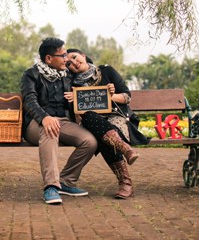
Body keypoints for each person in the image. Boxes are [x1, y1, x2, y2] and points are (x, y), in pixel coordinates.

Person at [21, 37, 97, 205]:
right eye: (62, 55)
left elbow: (89, 71)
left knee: (89, 141)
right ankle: (51, 186)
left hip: (63, 121)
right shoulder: (31, 74)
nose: (66, 59)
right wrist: (44, 118)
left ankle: (66, 181)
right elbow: (29, 100)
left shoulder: (68, 74)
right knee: (50, 130)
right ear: (49, 58)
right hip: (36, 123)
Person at [64, 48, 149, 199]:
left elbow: (127, 97)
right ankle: (125, 150)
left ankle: (126, 183)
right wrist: (74, 100)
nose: (74, 63)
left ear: (83, 56)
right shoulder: (71, 84)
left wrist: (111, 96)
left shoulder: (106, 71)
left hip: (117, 118)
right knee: (91, 119)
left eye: (75, 57)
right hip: (92, 122)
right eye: (69, 63)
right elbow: (76, 117)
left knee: (103, 137)